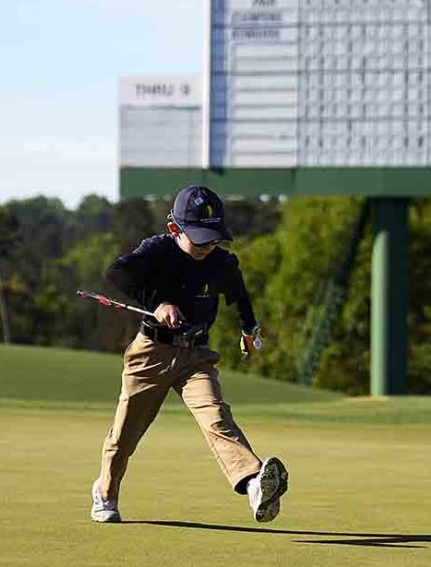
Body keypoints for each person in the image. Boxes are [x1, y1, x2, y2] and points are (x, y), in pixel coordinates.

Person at [90, 185, 288, 524]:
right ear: (174, 229)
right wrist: (157, 304)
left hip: (195, 355)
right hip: (150, 354)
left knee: (217, 417)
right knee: (125, 433)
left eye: (213, 236)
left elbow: (240, 296)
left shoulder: (222, 262)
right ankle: (105, 494)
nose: (208, 244)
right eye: (199, 237)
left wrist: (249, 330)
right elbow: (116, 272)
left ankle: (254, 482)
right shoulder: (156, 250)